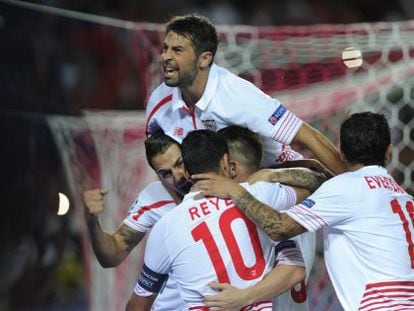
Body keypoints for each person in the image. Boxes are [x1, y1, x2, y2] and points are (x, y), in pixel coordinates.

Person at [193, 112, 414, 311]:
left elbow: (278, 228)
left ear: (341, 153)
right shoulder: (403, 198)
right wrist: (273, 174)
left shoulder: (346, 189)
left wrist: (235, 190)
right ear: (388, 152)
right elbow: (323, 182)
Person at [126, 129, 312, 311]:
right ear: (226, 162)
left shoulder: (165, 228)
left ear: (188, 172)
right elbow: (314, 186)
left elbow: (138, 304)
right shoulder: (261, 195)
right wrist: (269, 175)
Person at [145, 14, 346, 174]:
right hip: (216, 189)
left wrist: (352, 182)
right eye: (165, 49)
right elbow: (161, 164)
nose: (165, 57)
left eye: (177, 50)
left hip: (276, 178)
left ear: (204, 59)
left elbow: (309, 136)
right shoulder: (158, 102)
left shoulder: (237, 96)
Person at [84, 131, 190, 310]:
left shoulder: (216, 183)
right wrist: (91, 221)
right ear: (158, 176)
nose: (178, 176)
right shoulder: (153, 198)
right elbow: (112, 255)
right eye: (166, 173)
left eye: (180, 163)